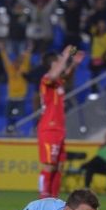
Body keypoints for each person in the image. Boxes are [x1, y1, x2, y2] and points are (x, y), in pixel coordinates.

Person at [37, 45, 85, 198]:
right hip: (49, 128)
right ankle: (43, 199)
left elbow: (66, 75)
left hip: (59, 129)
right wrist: (65, 56)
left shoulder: (58, 83)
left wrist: (74, 64)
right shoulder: (46, 79)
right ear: (53, 64)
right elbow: (54, 75)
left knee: (59, 167)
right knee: (49, 166)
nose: (62, 64)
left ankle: (54, 200)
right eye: (59, 61)